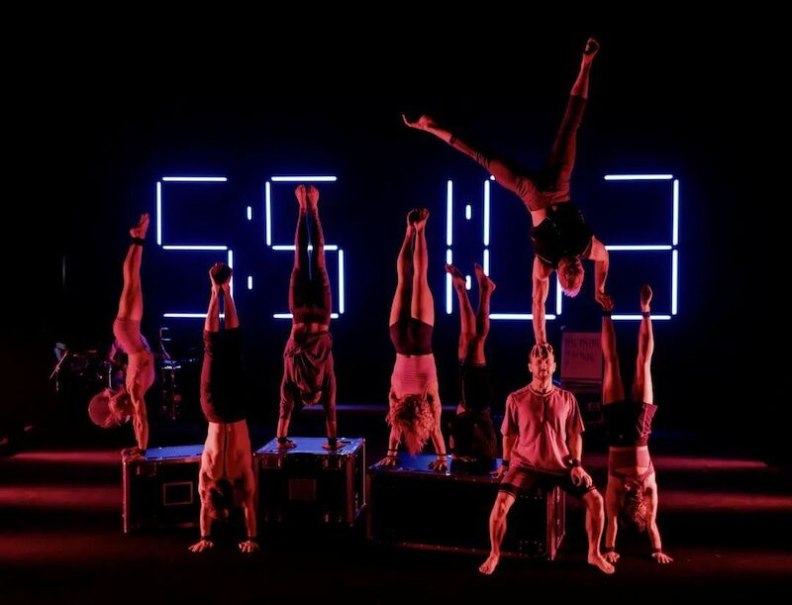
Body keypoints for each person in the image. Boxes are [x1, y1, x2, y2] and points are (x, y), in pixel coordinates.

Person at [403, 37, 611, 345]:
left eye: (569, 270)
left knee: (486, 154)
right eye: (575, 269)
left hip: (537, 192)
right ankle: (586, 64)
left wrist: (542, 341)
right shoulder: (573, 252)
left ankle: (430, 126)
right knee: (566, 126)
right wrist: (598, 289)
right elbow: (600, 260)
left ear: (561, 273)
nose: (570, 266)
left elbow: (539, 306)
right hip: (551, 188)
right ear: (576, 268)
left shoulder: (553, 262)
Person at [479, 342, 614, 575]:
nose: (543, 366)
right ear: (530, 367)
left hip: (560, 465)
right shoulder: (516, 398)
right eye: (538, 362)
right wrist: (506, 465)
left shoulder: (567, 398)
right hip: (525, 466)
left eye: (548, 362)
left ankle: (594, 553)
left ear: (554, 367)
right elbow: (509, 435)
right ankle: (494, 554)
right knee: (500, 506)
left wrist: (577, 465)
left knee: (596, 501)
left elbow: (574, 435)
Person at [600, 285, 673, 564]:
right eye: (640, 507)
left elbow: (611, 526)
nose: (637, 501)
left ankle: (607, 312)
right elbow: (653, 527)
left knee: (612, 363)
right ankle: (645, 311)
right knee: (644, 365)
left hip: (617, 432)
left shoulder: (615, 492)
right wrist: (657, 550)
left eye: (635, 508)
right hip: (640, 432)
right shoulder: (649, 490)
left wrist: (609, 550)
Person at [189, 263, 258, 554]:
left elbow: (207, 506)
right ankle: (225, 290)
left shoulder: (209, 476)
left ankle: (216, 290)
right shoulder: (241, 477)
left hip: (217, 409)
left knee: (215, 347)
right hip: (233, 409)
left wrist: (205, 536)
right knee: (228, 346)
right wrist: (252, 539)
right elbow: (250, 506)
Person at [379, 209, 448, 471]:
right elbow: (395, 431)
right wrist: (391, 453)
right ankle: (410, 231)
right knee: (405, 279)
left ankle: (420, 230)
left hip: (421, 339)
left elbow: (438, 431)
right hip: (398, 339)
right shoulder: (396, 402)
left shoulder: (429, 397)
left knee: (419, 276)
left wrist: (442, 458)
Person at [276, 184, 342, 451]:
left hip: (322, 315)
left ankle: (312, 209)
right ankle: (304, 208)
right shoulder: (292, 379)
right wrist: (281, 438)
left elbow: (331, 412)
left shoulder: (325, 379)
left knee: (319, 259)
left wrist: (333, 442)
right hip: (300, 315)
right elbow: (284, 409)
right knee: (301, 259)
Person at [88, 213, 155, 456]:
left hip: (126, 328)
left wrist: (141, 449)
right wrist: (140, 448)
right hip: (130, 329)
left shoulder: (131, 387)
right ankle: (138, 239)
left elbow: (139, 419)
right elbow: (140, 419)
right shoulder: (136, 391)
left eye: (110, 400)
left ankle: (138, 239)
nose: (111, 398)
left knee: (131, 279)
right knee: (132, 279)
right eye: (116, 404)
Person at [445, 263, 498, 472]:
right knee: (477, 341)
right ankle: (486, 291)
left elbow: (452, 442)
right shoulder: (485, 449)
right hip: (478, 399)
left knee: (466, 336)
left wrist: (453, 453)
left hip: (466, 395)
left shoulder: (460, 450)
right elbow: (484, 435)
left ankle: (461, 290)